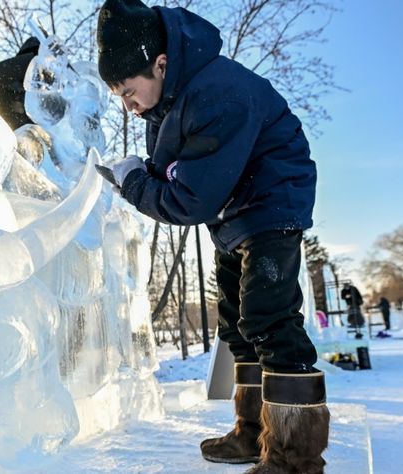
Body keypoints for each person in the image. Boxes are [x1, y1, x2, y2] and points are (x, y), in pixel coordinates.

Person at [95, 1, 328, 472]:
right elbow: (181, 181)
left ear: (159, 63)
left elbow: (188, 200)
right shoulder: (170, 102)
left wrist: (133, 181)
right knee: (237, 326)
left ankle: (295, 457)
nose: (128, 104)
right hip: (234, 216)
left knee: (271, 320)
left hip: (270, 207)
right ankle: (252, 433)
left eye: (128, 90)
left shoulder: (216, 92)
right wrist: (142, 175)